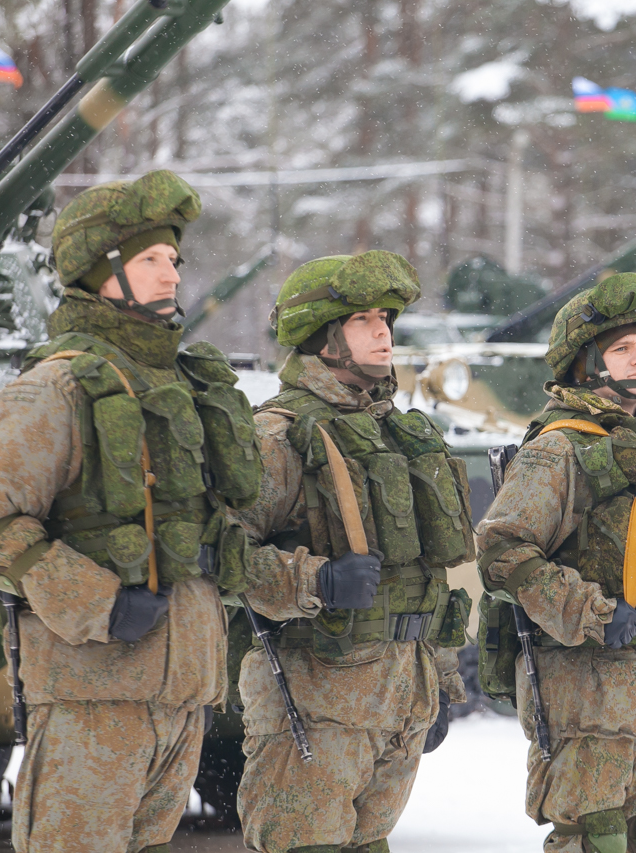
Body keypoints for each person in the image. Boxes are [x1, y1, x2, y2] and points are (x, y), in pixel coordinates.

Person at [0, 171, 260, 853]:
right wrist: (96, 601)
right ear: (101, 271)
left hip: (182, 696)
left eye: (174, 259)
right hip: (91, 696)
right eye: (150, 259)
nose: (171, 273)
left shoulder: (181, 388)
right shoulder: (53, 387)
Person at [475, 273, 636, 853]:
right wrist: (590, 612)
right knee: (594, 838)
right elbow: (502, 551)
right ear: (585, 364)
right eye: (621, 348)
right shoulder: (560, 448)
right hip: (590, 691)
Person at [232, 252, 472, 853]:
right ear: (323, 335)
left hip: (401, 694)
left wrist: (438, 678)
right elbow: (220, 556)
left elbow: (432, 574)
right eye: (364, 319)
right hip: (315, 698)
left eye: (386, 317)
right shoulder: (278, 435)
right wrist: (316, 581)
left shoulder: (402, 434)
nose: (383, 330)